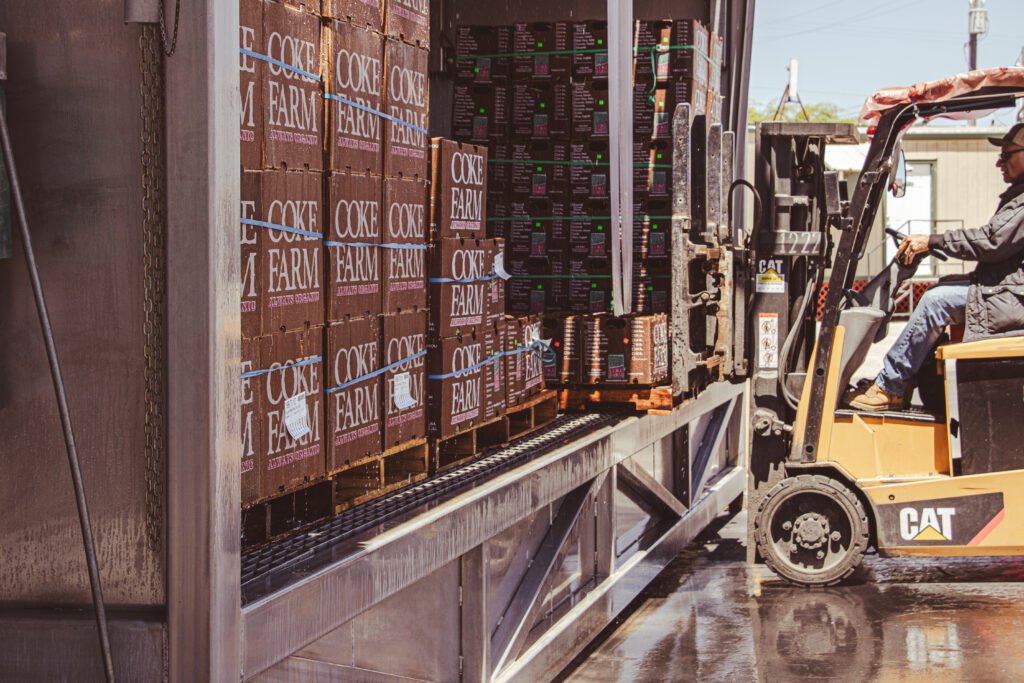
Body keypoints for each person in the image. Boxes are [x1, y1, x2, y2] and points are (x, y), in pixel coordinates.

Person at [844, 123, 1024, 411]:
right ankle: (905, 381)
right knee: (943, 287)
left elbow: (991, 241)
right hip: (1013, 293)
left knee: (935, 301)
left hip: (1016, 300)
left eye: (1006, 155)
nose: (999, 162)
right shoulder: (1017, 196)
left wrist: (933, 241)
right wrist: (935, 247)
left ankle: (890, 386)